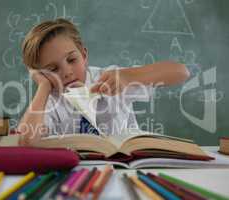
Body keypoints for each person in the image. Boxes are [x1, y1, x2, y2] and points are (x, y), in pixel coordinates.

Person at [17, 18, 190, 146]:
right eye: (53, 69)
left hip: (127, 165)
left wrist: (129, 76)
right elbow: (26, 141)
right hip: (76, 172)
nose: (67, 73)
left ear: (84, 56)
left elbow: (181, 72)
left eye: (72, 60)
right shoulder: (50, 100)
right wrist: (44, 87)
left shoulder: (112, 80)